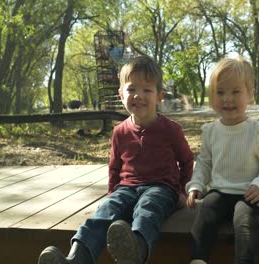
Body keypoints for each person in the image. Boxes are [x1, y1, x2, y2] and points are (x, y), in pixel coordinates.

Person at [38, 56, 194, 264]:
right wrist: (113, 194)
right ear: (121, 95)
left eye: (147, 90)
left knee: (148, 208)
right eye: (131, 89)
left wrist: (182, 191)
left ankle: (136, 250)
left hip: (162, 188)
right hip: (126, 188)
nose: (138, 95)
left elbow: (186, 161)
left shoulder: (171, 129)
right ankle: (77, 258)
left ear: (159, 96)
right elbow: (114, 167)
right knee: (104, 212)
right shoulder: (120, 132)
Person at [186, 56, 259, 264]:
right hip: (220, 192)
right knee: (206, 211)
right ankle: (198, 260)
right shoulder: (211, 131)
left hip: (250, 194)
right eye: (220, 92)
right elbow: (204, 163)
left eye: (235, 91)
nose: (227, 99)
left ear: (250, 94)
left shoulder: (258, 131)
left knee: (244, 220)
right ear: (212, 97)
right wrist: (196, 184)